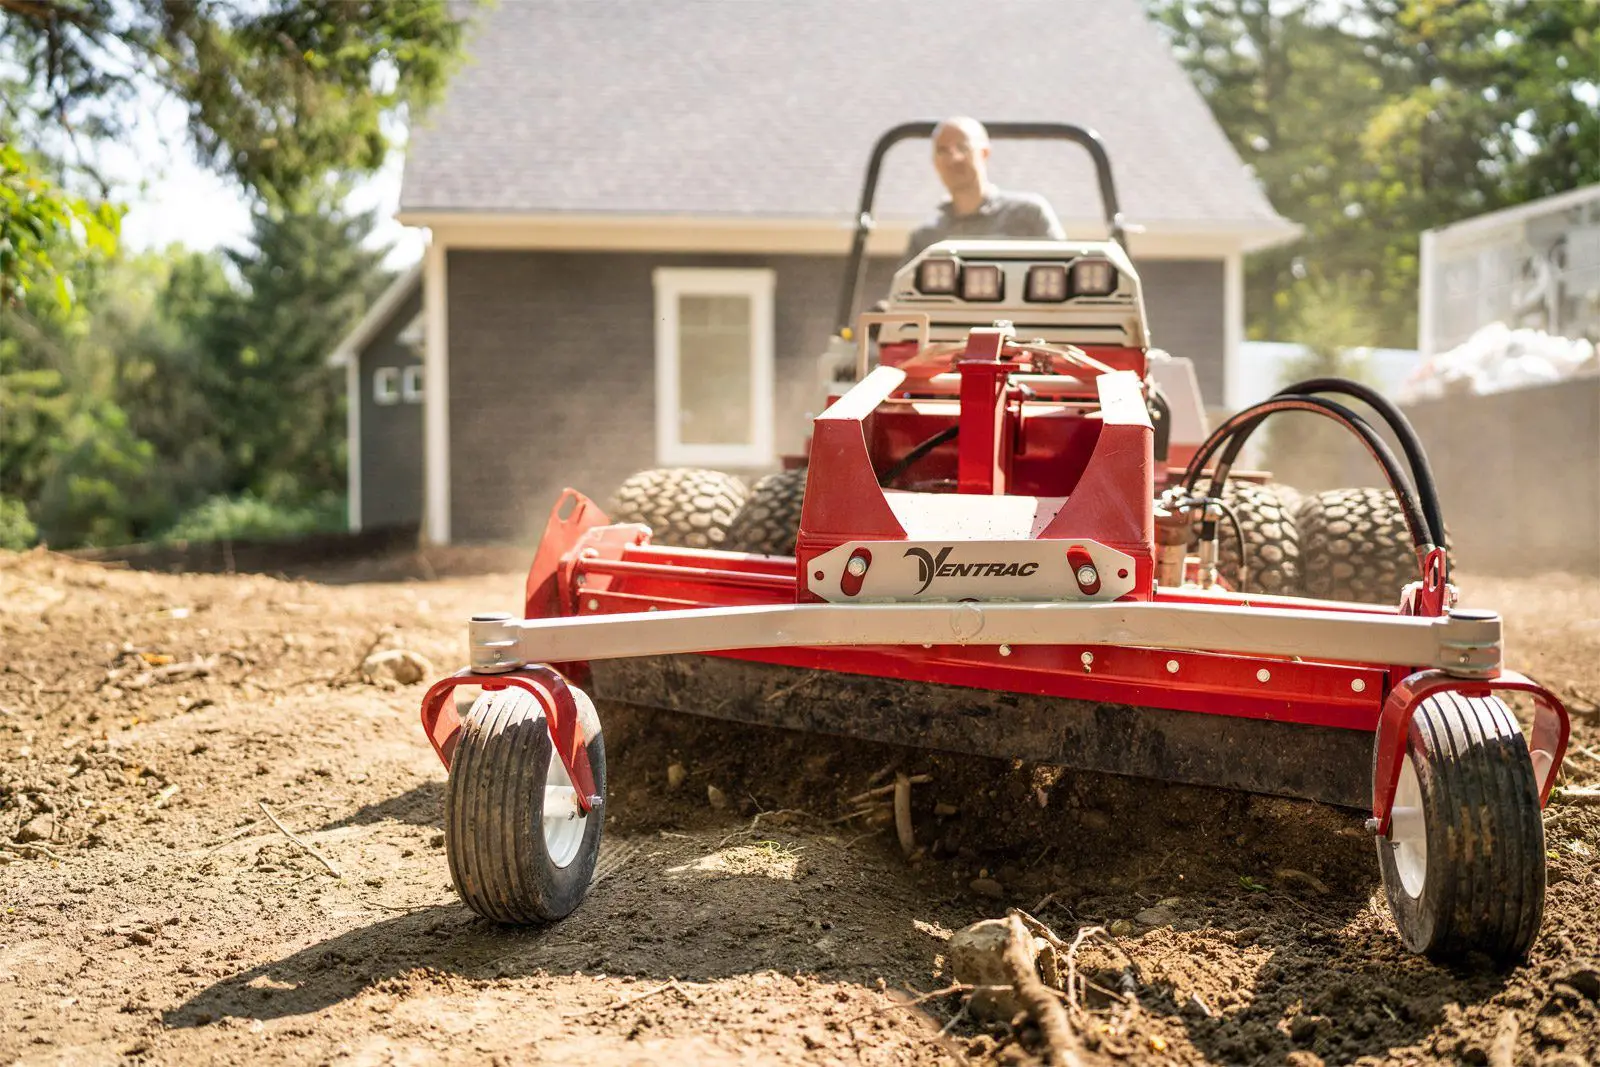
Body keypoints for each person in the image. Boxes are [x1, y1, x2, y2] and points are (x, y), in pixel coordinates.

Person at [904, 116, 1066, 261]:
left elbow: (1064, 271)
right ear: (934, 162)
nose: (953, 158)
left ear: (984, 153)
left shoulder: (1028, 215)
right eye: (943, 150)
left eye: (962, 148)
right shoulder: (925, 239)